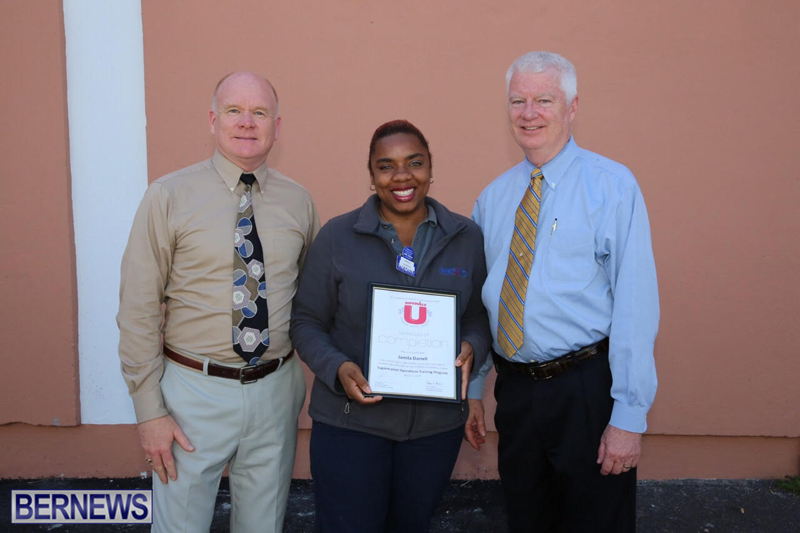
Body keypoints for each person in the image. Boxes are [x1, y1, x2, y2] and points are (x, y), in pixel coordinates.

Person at [464, 52, 659, 532]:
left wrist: (628, 416)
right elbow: (486, 300)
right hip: (516, 393)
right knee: (527, 519)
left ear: (572, 107)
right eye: (518, 101)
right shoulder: (493, 199)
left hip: (586, 392)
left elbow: (635, 305)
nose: (529, 113)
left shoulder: (612, 187)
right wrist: (475, 388)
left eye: (544, 100)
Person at [117, 71, 319, 532]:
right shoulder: (168, 196)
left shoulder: (299, 202)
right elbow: (138, 308)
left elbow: (311, 301)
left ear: (276, 126)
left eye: (259, 112)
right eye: (234, 111)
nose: (246, 122)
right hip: (192, 393)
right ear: (213, 120)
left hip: (275, 391)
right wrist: (149, 411)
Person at [290, 120, 491, 533]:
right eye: (386, 166)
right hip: (350, 425)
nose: (402, 176)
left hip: (434, 431)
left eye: (414, 163)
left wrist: (473, 344)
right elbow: (306, 321)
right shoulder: (338, 237)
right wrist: (337, 367)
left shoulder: (466, 236)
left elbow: (477, 314)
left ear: (431, 169)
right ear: (371, 175)